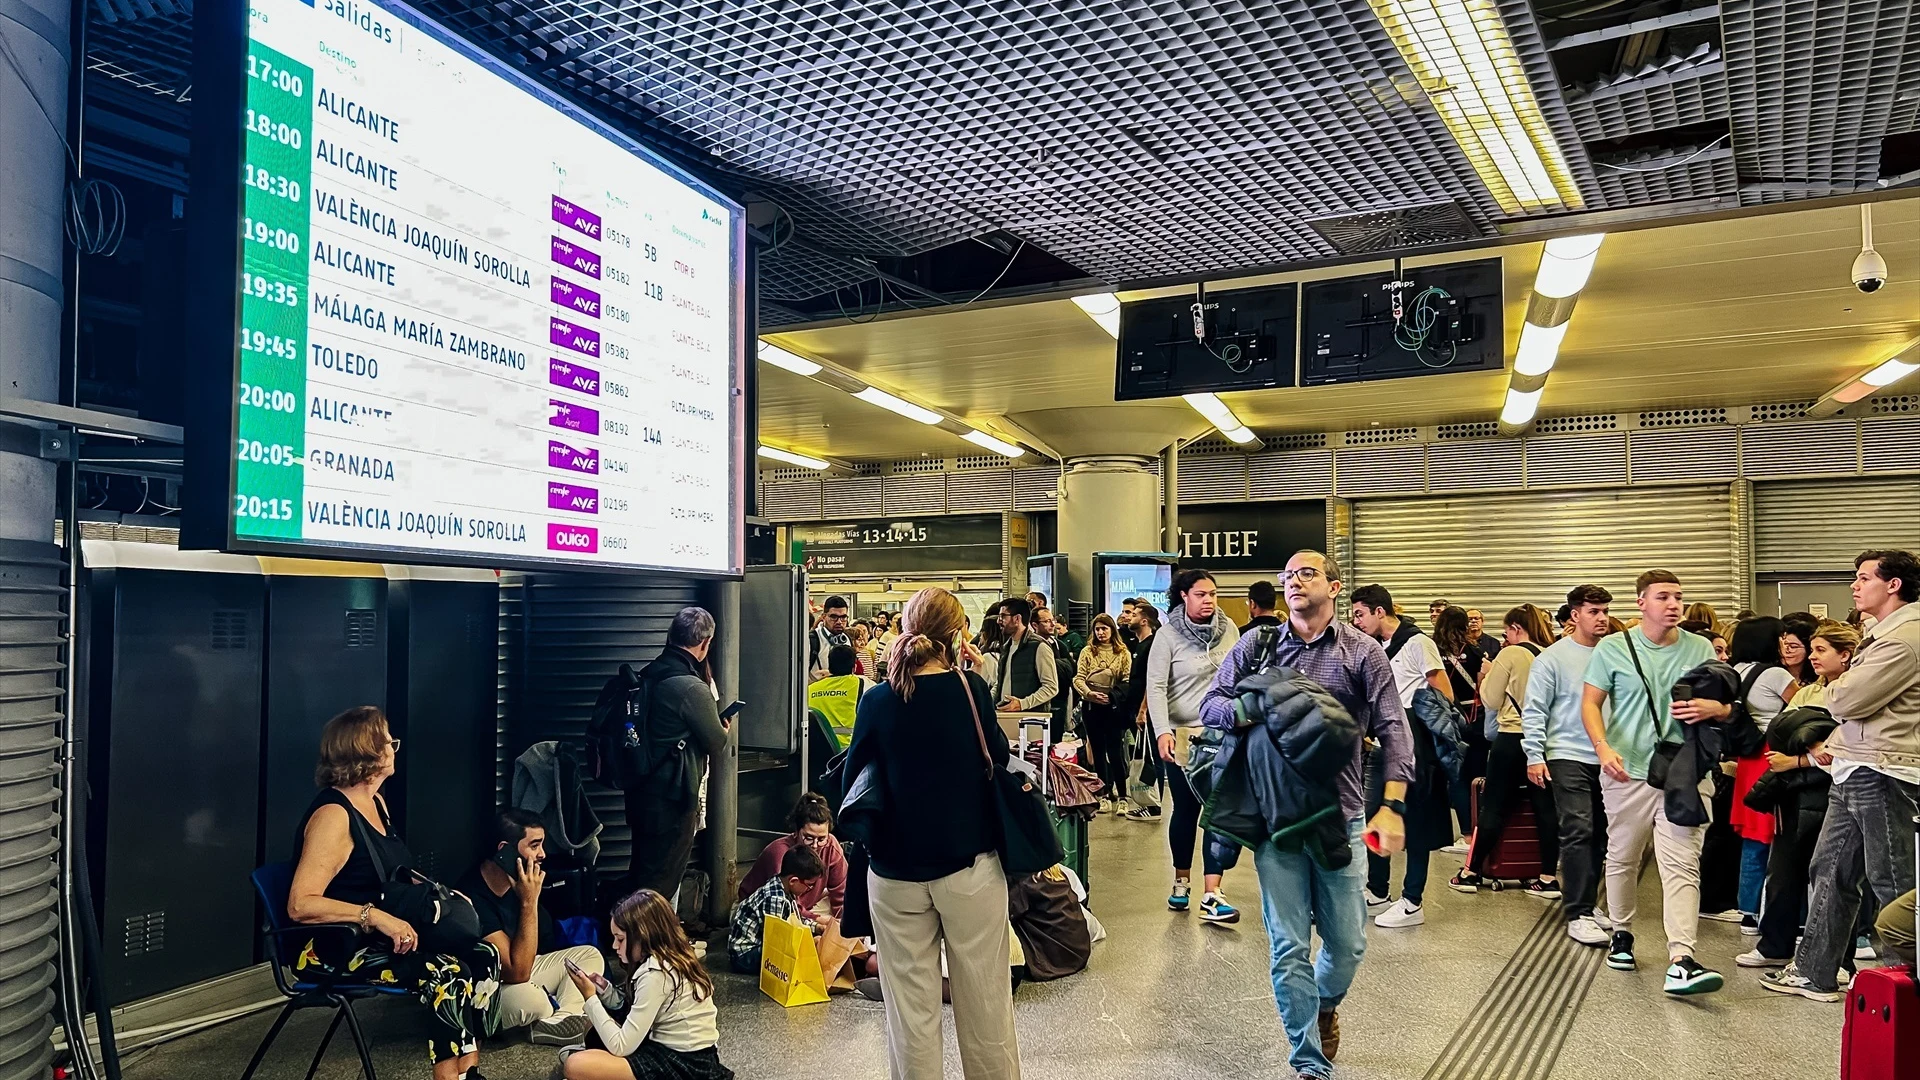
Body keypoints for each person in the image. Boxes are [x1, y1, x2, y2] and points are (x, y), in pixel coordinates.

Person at [1198, 550, 1412, 1080]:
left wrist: (1392, 806)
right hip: (1276, 821)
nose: (1294, 582)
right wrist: (1255, 708)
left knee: (1348, 942)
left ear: (1335, 588)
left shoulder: (1363, 652)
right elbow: (1211, 707)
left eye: (1307, 574)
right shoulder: (1257, 644)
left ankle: (1322, 1004)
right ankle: (1309, 1062)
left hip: (1342, 814)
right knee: (1288, 944)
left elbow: (1393, 730)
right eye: (1287, 576)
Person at [844, 587, 1020, 1080]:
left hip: (895, 874)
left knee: (910, 1016)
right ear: (957, 635)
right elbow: (999, 758)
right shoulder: (971, 690)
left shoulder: (878, 699)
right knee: (985, 1003)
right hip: (968, 869)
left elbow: (851, 780)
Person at [288, 707, 500, 1080]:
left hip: (382, 936)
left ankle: (470, 1072)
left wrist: (443, 898)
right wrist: (376, 917)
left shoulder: (377, 803)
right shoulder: (333, 816)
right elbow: (301, 904)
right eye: (387, 741)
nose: (393, 747)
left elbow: (391, 875)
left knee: (482, 954)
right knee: (445, 972)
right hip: (334, 947)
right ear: (365, 752)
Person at [1762, 550, 1920, 1002]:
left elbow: (1845, 700)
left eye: (1863, 577)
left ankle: (1902, 984)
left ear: (1893, 585)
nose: (1854, 585)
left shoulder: (1904, 638)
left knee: (1892, 879)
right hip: (1855, 766)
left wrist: (1835, 691)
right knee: (1829, 870)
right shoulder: (1880, 633)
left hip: (1885, 770)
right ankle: (1815, 971)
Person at [1581, 570, 1724, 995]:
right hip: (1628, 772)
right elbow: (1590, 703)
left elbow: (1727, 704)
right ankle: (1621, 933)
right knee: (1623, 856)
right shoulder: (1613, 648)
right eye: (1663, 596)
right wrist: (1604, 748)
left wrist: (1712, 707)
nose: (1674, 604)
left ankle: (1682, 958)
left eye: (1679, 596)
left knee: (1682, 864)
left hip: (1685, 772)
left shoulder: (1700, 648)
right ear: (1642, 602)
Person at [1738, 622, 1858, 970]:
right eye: (1814, 649)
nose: (1813, 657)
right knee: (1783, 871)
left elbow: (1844, 748)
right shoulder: (1806, 692)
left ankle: (1840, 959)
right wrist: (1810, 745)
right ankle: (1775, 944)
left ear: (1845, 655)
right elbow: (1780, 731)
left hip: (1837, 792)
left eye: (1821, 650)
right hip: (1794, 793)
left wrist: (1799, 758)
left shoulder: (1856, 693)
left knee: (1834, 878)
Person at [1349, 585, 1453, 929]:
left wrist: (1414, 719)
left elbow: (1444, 693)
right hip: (1380, 747)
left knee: (1416, 823)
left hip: (1414, 747)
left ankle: (1412, 900)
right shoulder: (1375, 647)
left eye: (1361, 614)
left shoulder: (1418, 643)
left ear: (1381, 611)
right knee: (1375, 817)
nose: (1356, 621)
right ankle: (1378, 891)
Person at [459, 809, 605, 1046]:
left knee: (589, 955)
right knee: (534, 1000)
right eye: (534, 845)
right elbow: (516, 972)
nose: (542, 854)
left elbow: (539, 951)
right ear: (504, 849)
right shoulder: (473, 897)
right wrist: (529, 902)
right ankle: (560, 1017)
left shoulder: (516, 880)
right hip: (487, 990)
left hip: (523, 969)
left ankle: (562, 1021)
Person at [1147, 569, 1243, 923]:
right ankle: (1181, 880)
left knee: (1218, 810)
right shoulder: (1167, 635)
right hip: (1183, 735)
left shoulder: (1229, 629)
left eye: (1213, 594)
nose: (1209, 601)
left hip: (1223, 733)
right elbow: (1155, 687)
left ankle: (1213, 892)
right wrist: (1162, 731)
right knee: (1186, 811)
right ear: (1184, 596)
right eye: (1201, 594)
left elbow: (1242, 676)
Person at [1523, 585, 1616, 946]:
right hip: (1566, 753)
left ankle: (1589, 904)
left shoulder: (1616, 654)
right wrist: (1534, 754)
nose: (1603, 617)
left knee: (1602, 834)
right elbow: (1535, 708)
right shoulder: (1553, 658)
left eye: (1605, 610)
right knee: (1578, 828)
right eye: (1594, 611)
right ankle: (1577, 912)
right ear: (1574, 615)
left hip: (1608, 755)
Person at [561, 889, 731, 1080]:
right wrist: (606, 990)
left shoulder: (656, 974)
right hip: (680, 1051)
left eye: (621, 939)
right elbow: (634, 1009)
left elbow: (621, 1045)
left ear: (643, 936)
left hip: (683, 1063)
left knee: (574, 1066)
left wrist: (589, 996)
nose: (615, 946)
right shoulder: (668, 958)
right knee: (593, 1027)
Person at [1451, 605, 1559, 896]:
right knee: (1546, 810)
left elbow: (1491, 698)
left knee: (1495, 805)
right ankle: (1548, 876)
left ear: (1515, 629)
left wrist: (1486, 673)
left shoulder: (1511, 654)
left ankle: (1470, 872)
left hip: (1513, 737)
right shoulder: (1553, 652)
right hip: (1547, 741)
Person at [624, 608, 730, 901]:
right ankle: (648, 944)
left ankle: (632, 938)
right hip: (672, 799)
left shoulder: (648, 675)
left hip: (639, 792)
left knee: (643, 872)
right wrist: (724, 728)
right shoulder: (691, 687)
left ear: (669, 637)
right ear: (705, 644)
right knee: (661, 882)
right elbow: (715, 741)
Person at [1722, 617, 1798, 933]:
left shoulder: (1733, 671)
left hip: (1746, 758)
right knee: (1776, 836)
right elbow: (1802, 706)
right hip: (1773, 756)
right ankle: (1771, 909)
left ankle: (1748, 909)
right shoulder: (1775, 674)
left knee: (1752, 838)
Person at [739, 792, 846, 926]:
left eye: (821, 839)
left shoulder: (831, 846)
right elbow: (784, 902)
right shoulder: (781, 854)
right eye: (808, 838)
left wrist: (844, 924)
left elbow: (841, 892)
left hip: (805, 905)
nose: (815, 845)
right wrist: (818, 922)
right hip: (766, 908)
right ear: (796, 831)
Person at [1435, 605, 1487, 848]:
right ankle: (1477, 832)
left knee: (1453, 776)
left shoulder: (1433, 650)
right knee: (1475, 774)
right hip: (1474, 717)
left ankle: (1464, 833)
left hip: (1443, 717)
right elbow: (1482, 685)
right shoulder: (1475, 651)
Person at [728, 845, 826, 974]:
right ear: (794, 881)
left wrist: (817, 927)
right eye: (809, 886)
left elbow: (796, 920)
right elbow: (778, 939)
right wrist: (809, 943)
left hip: (760, 946)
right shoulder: (774, 898)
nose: (810, 889)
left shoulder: (784, 886)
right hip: (745, 955)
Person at [1074, 614, 1133, 814]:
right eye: (1097, 629)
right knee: (1097, 751)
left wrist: (1113, 696)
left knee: (1115, 752)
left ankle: (1123, 796)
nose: (1101, 633)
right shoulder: (1087, 651)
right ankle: (1104, 793)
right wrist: (1089, 694)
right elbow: (1078, 678)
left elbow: (1127, 679)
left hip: (1113, 706)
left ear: (1112, 630)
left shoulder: (1122, 652)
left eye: (1104, 629)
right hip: (1092, 706)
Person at [1120, 603, 1165, 822]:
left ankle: (1154, 805)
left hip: (1146, 711)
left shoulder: (1152, 645)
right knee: (1141, 756)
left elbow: (1153, 679)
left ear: (1145, 620)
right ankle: (1146, 802)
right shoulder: (1137, 646)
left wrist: (1144, 709)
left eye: (1134, 615)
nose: (1128, 617)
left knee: (1152, 759)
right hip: (1134, 709)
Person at [990, 597, 1058, 717]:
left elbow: (1051, 687)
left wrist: (1022, 704)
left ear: (1017, 619)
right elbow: (1001, 681)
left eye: (1003, 616)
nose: (998, 621)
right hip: (1005, 715)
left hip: (1031, 719)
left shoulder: (1039, 646)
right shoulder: (1007, 646)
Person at [808, 645, 871, 752]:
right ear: (854, 667)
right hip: (848, 753)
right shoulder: (863, 684)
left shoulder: (810, 689)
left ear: (829, 665)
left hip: (816, 754)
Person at [809, 596, 853, 683]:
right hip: (817, 692)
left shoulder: (846, 639)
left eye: (843, 617)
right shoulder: (812, 640)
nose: (839, 622)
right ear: (823, 617)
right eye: (834, 617)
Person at [1779, 613, 1818, 686]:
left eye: (1793, 647)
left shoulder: (1818, 679)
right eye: (1782, 645)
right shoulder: (1773, 675)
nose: (1786, 650)